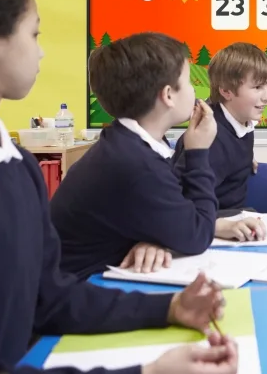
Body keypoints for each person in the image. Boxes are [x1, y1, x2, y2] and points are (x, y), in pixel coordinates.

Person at [0, 0, 236, 373]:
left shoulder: (16, 166)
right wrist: (148, 372)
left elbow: (50, 296)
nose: (42, 53)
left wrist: (170, 308)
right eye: (34, 34)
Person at [50, 32, 236, 279]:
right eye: (189, 82)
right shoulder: (134, 163)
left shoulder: (126, 143)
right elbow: (196, 237)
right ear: (168, 95)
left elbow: (174, 208)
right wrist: (199, 152)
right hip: (78, 293)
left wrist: (159, 238)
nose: (194, 90)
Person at [172, 42, 267, 238]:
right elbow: (179, 201)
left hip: (234, 214)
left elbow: (229, 149)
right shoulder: (209, 135)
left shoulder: (241, 120)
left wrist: (244, 159)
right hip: (211, 223)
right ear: (226, 91)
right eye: (258, 87)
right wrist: (218, 227)